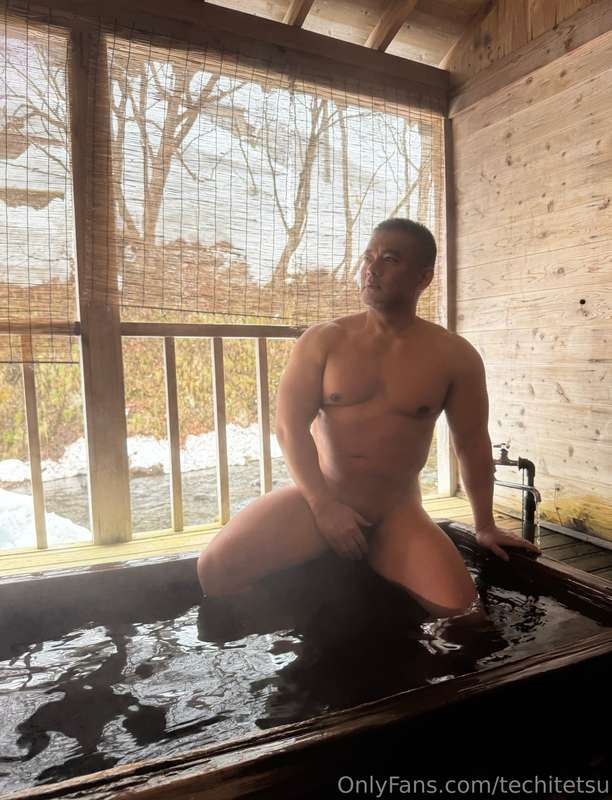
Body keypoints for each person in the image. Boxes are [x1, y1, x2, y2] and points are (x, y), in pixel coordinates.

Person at [197, 218, 541, 619]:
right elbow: (289, 428)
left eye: (389, 259)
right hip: (324, 498)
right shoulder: (324, 340)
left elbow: (471, 442)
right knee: (215, 571)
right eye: (368, 257)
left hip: (397, 511)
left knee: (463, 615)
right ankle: (301, 621)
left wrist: (484, 524)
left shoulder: (454, 356)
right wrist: (324, 506)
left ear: (424, 277)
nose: (371, 269)